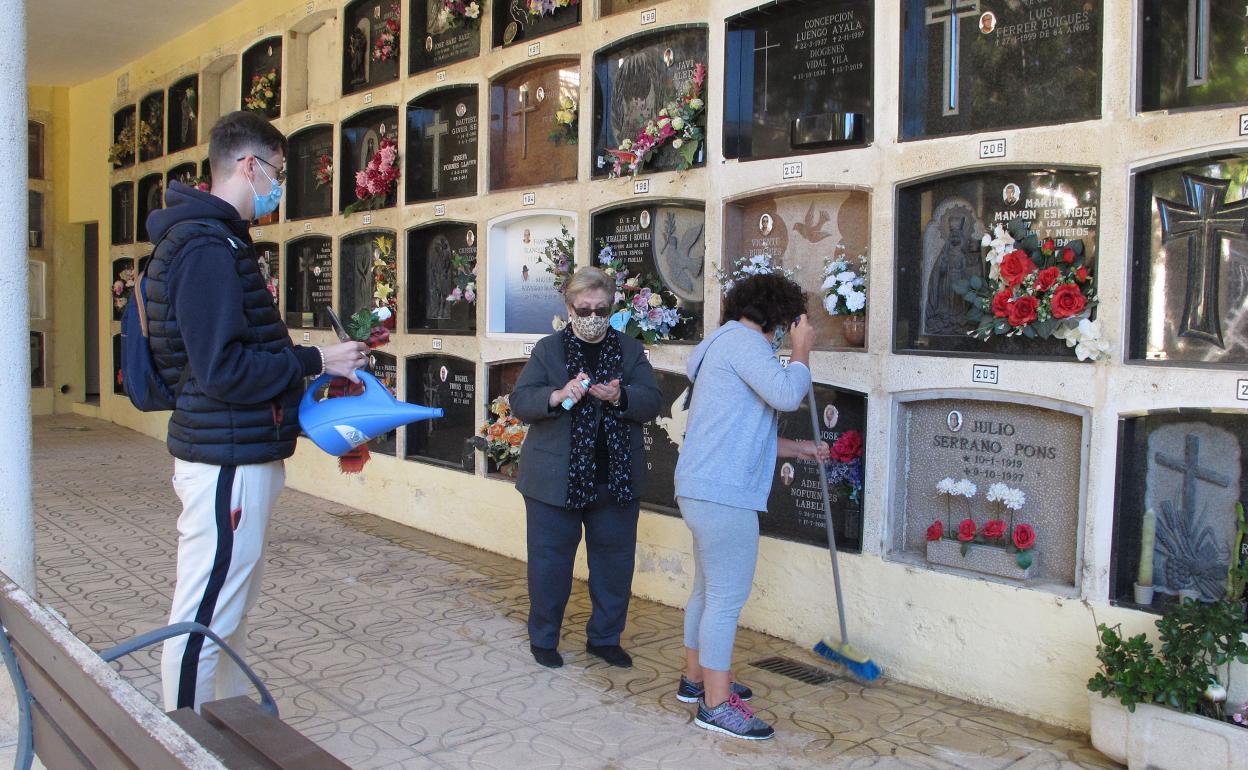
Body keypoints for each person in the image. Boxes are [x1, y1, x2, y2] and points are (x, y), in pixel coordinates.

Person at [144, 111, 368, 711]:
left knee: (228, 606)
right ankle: (183, 739)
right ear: (249, 165)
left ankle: (228, 726)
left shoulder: (214, 241)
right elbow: (223, 371)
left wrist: (313, 376)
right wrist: (314, 359)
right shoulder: (205, 249)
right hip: (227, 460)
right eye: (279, 172)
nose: (280, 185)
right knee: (203, 613)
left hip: (236, 448)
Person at [674, 272, 830, 740]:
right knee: (725, 598)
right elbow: (786, 392)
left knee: (707, 590)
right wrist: (802, 350)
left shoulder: (724, 344)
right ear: (778, 318)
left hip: (704, 487)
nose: (787, 331)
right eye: (788, 322)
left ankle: (696, 679)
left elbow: (744, 429)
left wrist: (800, 449)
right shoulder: (745, 345)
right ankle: (717, 705)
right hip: (723, 494)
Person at [510, 267, 662, 669]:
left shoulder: (630, 351)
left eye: (602, 309)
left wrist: (620, 396)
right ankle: (544, 638)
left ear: (612, 306)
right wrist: (557, 394)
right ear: (569, 306)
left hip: (615, 480)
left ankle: (605, 638)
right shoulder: (548, 349)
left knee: (614, 565)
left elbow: (652, 401)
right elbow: (521, 400)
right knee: (549, 566)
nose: (593, 316)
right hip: (553, 483)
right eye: (585, 308)